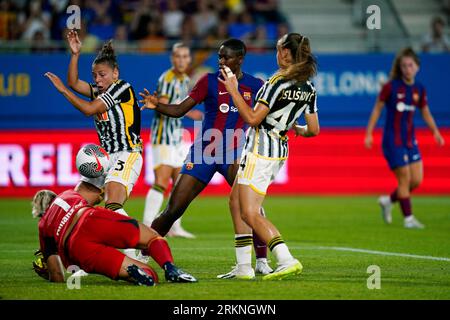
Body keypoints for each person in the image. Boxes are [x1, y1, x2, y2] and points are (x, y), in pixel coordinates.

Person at [140, 38, 273, 278]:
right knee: (173, 209)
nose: (221, 61)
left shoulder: (255, 85)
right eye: (219, 56)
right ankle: (142, 254)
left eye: (226, 57)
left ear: (240, 59)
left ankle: (262, 260)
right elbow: (180, 109)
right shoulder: (208, 82)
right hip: (204, 152)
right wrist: (156, 105)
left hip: (234, 153)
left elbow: (267, 115)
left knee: (251, 206)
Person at [218, 33, 319, 280]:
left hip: (260, 151)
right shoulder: (308, 87)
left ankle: (286, 259)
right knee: (235, 202)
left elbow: (252, 119)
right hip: (278, 152)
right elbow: (314, 130)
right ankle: (243, 268)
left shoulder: (277, 82)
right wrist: (294, 128)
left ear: (285, 53)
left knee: (250, 213)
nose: (277, 54)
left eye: (278, 50)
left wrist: (233, 91)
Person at [45, 31, 143, 226]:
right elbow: (74, 82)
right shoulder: (98, 91)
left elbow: (89, 109)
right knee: (73, 205)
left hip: (127, 153)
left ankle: (139, 245)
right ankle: (55, 252)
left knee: (112, 204)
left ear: (115, 73)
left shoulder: (121, 87)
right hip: (103, 158)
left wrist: (63, 91)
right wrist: (75, 55)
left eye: (102, 74)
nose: (97, 80)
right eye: (94, 75)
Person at [31, 181, 197, 285]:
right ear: (54, 197)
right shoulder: (66, 194)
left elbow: (58, 276)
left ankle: (137, 272)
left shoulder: (43, 226)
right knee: (152, 237)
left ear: (40, 212)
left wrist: (47, 273)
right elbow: (96, 196)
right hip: (90, 220)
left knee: (151, 275)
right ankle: (170, 268)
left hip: (77, 248)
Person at [365, 47, 445, 229]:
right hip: (393, 140)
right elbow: (377, 109)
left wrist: (435, 132)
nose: (407, 69)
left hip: (410, 140)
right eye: (403, 66)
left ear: (417, 66)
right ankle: (408, 219)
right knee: (404, 179)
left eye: (410, 65)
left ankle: (388, 201)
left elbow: (425, 112)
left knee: (416, 180)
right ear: (399, 68)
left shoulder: (419, 89)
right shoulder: (390, 87)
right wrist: (369, 133)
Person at [143, 42, 203, 238]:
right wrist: (184, 109)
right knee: (161, 181)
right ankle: (147, 225)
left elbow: (176, 107)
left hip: (177, 138)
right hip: (163, 136)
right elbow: (164, 105)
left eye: (185, 56)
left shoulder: (184, 78)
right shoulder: (167, 79)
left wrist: (189, 112)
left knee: (179, 183)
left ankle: (174, 227)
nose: (182, 60)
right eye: (178, 56)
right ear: (172, 59)